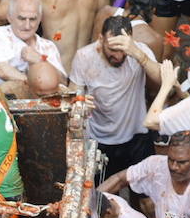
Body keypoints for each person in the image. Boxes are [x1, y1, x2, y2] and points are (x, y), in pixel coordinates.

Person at [69, 16, 162, 178]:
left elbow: (163, 80)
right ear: (100, 39)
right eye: (112, 49)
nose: (118, 56)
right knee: (103, 197)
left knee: (144, 198)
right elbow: (73, 96)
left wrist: (138, 55)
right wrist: (80, 104)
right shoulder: (84, 56)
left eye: (123, 50)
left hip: (136, 135)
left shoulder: (139, 52)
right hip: (99, 138)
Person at [0, 0, 67, 97]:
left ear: (40, 19)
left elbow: (62, 82)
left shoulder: (48, 46)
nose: (27, 25)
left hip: (38, 108)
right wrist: (39, 82)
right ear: (9, 17)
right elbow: (2, 71)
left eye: (32, 19)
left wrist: (40, 60)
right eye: (22, 19)